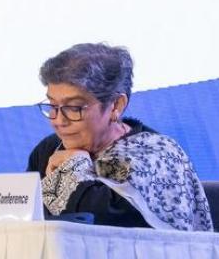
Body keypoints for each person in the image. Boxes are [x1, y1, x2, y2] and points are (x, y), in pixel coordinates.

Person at [26, 43, 212, 231]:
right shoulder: (50, 149)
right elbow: (24, 214)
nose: (58, 120)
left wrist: (75, 167)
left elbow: (108, 218)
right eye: (52, 105)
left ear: (116, 105)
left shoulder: (154, 156)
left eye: (74, 108)